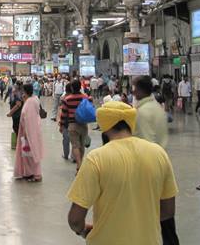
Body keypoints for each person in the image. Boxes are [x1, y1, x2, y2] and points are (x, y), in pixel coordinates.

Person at [67, 101, 178, 245]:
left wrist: (83, 231)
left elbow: (75, 220)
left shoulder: (96, 159)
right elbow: (168, 210)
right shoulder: (158, 153)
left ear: (104, 125)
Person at [13, 84, 44, 182]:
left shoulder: (30, 103)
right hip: (34, 130)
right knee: (31, 151)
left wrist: (26, 133)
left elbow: (28, 119)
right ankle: (29, 172)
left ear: (25, 92)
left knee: (28, 153)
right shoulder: (35, 99)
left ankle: (31, 173)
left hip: (28, 131)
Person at [62, 79, 90, 172]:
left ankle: (79, 165)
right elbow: (89, 109)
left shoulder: (68, 99)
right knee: (81, 145)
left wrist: (61, 126)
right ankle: (80, 162)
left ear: (72, 88)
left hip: (72, 125)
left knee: (75, 145)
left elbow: (64, 114)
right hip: (83, 124)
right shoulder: (85, 97)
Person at [133, 75, 168, 148]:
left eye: (135, 88)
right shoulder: (157, 107)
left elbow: (146, 142)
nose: (134, 91)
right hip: (160, 153)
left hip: (149, 156)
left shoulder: (143, 111)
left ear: (141, 90)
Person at [58, 83, 73, 161]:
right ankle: (74, 157)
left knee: (66, 139)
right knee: (75, 140)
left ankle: (66, 155)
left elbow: (63, 113)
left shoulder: (64, 98)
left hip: (66, 122)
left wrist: (61, 124)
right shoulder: (79, 97)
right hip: (75, 121)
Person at [7, 80, 23, 149]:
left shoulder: (18, 94)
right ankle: (19, 143)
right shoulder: (19, 93)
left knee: (17, 128)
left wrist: (10, 113)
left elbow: (18, 105)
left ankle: (19, 144)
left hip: (17, 114)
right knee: (17, 128)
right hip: (17, 114)